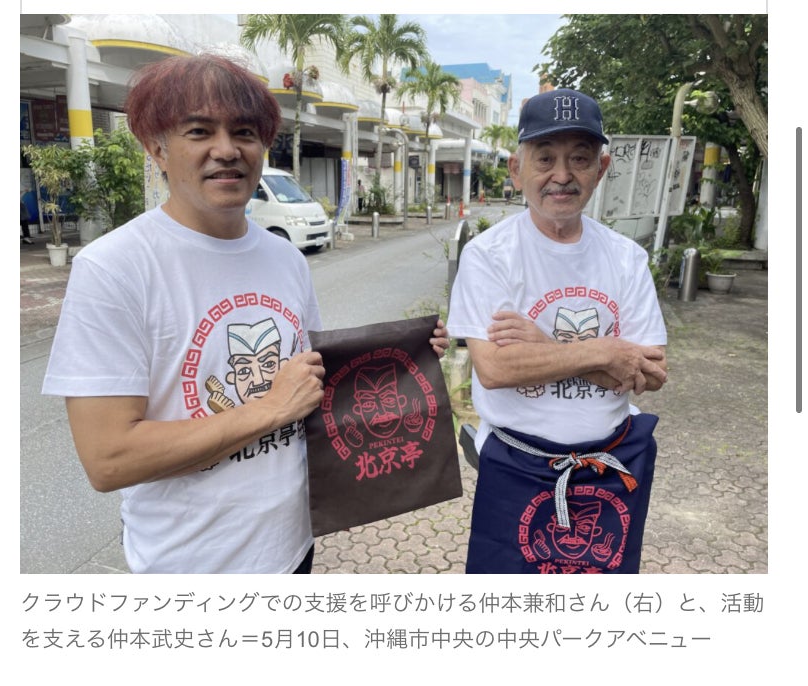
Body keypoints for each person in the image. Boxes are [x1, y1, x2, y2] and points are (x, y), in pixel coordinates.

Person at [42, 54, 449, 574]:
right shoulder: (114, 267)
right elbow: (108, 458)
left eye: (244, 132)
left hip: (294, 545)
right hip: (190, 565)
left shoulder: (285, 258)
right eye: (199, 131)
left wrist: (402, 359)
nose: (227, 149)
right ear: (156, 148)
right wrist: (267, 409)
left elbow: (307, 382)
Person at [447, 88, 668, 574]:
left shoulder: (626, 258)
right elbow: (496, 369)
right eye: (545, 158)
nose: (562, 175)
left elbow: (649, 373)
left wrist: (544, 346)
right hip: (516, 465)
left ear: (601, 169)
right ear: (516, 169)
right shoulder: (488, 256)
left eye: (579, 159)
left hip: (610, 464)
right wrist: (607, 353)